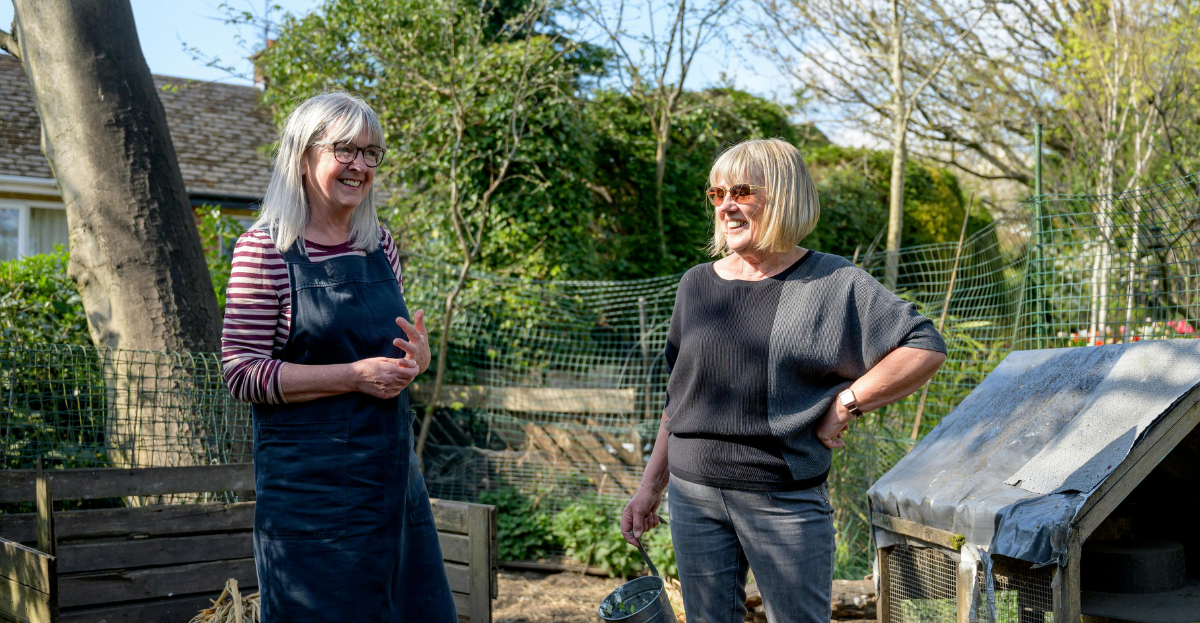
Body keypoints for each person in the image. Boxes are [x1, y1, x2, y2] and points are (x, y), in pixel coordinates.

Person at [620, 138, 947, 622]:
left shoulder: (834, 282)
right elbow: (679, 398)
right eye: (716, 194)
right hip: (693, 495)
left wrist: (846, 405)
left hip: (783, 499)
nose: (726, 205)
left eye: (742, 191)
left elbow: (924, 346)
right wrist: (650, 486)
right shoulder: (696, 285)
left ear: (785, 194)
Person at [221, 92, 456, 622]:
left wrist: (414, 361)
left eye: (372, 153)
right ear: (304, 156)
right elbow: (240, 370)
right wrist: (352, 376)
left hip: (391, 480)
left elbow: (384, 360)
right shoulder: (265, 249)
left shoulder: (380, 244)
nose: (361, 165)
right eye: (345, 150)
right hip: (312, 492)